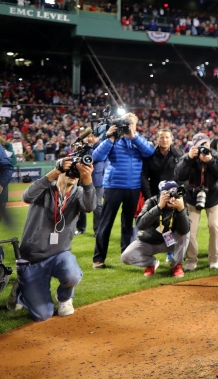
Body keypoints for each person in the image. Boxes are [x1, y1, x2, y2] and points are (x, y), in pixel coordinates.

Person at [7, 157, 96, 321]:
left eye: (75, 173)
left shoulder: (78, 194)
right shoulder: (44, 189)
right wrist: (55, 171)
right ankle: (21, 288)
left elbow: (90, 206)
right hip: (32, 258)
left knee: (72, 274)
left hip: (59, 254)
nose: (72, 174)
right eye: (69, 171)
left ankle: (64, 298)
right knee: (42, 315)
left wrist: (88, 180)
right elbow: (26, 196)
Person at [91, 113, 155, 269]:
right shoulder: (113, 140)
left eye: (131, 123)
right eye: (125, 123)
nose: (128, 126)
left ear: (135, 125)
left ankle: (127, 255)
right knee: (106, 223)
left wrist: (134, 137)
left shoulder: (139, 140)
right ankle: (98, 259)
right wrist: (110, 138)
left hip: (133, 187)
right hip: (113, 186)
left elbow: (150, 152)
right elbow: (97, 156)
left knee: (128, 225)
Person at [175, 133, 218, 271]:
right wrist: (188, 159)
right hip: (192, 198)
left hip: (213, 197)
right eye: (200, 146)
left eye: (205, 145)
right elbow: (178, 176)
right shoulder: (188, 157)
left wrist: (210, 161)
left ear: (209, 144)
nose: (203, 148)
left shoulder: (216, 156)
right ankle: (191, 261)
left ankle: (214, 259)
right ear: (194, 146)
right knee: (190, 230)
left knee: (214, 226)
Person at [121, 180, 189, 278]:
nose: (172, 196)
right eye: (168, 192)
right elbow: (140, 225)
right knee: (126, 257)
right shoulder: (151, 202)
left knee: (186, 233)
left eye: (175, 191)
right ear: (161, 194)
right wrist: (158, 207)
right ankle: (151, 263)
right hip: (149, 241)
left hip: (170, 242)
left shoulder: (180, 203)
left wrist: (181, 210)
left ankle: (176, 266)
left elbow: (184, 230)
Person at [76, 128, 106, 236]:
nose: (89, 138)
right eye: (87, 136)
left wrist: (84, 149)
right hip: (83, 178)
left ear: (97, 136)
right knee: (80, 203)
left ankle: (98, 230)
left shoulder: (101, 145)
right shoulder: (85, 147)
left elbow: (93, 158)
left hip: (97, 180)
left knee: (97, 206)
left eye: (91, 136)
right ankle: (80, 228)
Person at [140, 128, 183, 202]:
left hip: (173, 196)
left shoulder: (179, 155)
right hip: (154, 195)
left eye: (167, 137)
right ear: (157, 139)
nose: (164, 140)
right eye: (161, 137)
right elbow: (144, 177)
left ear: (171, 139)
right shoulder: (149, 156)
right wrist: (148, 197)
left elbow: (182, 176)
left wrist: (176, 191)